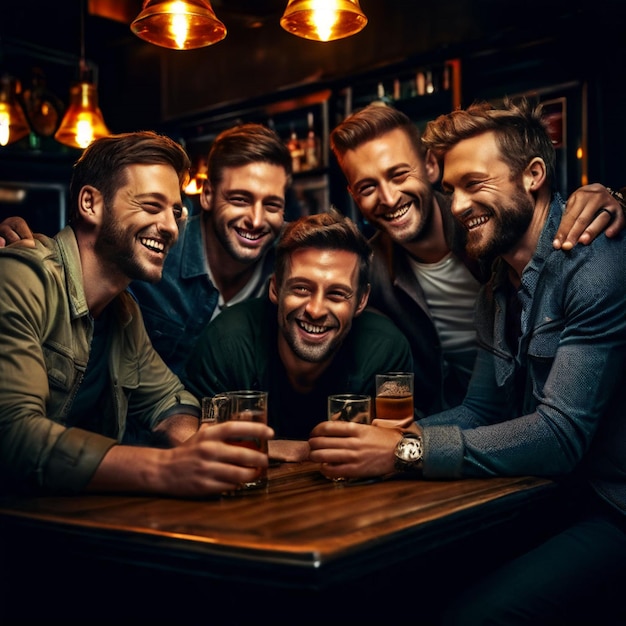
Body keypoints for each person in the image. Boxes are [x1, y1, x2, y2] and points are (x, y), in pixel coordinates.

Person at [310, 98, 626, 624]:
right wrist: (384, 440)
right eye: (451, 189)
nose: (457, 207)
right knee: (395, 585)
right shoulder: (497, 284)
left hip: (611, 506)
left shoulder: (595, 265)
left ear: (533, 176)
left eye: (474, 185)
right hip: (547, 494)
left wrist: (404, 451)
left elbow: (560, 436)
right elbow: (481, 409)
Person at [0, 131, 274, 497]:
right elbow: (13, 434)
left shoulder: (124, 313)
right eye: (150, 206)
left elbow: (171, 402)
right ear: (90, 204)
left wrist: (204, 448)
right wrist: (167, 469)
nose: (171, 227)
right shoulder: (21, 278)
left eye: (176, 212)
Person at [329, 102, 626, 414]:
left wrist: (619, 197)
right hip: (459, 435)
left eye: (399, 174)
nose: (388, 198)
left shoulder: (495, 230)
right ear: (353, 196)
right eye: (367, 187)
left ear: (430, 165)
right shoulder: (367, 276)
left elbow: (537, 210)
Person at [0, 122, 292, 377]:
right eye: (240, 199)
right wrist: (31, 251)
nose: (255, 220)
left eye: (272, 205)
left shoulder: (293, 261)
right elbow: (89, 251)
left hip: (222, 427)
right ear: (208, 196)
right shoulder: (156, 249)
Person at [183, 208, 413, 461]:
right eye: (301, 288)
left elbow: (395, 446)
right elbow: (203, 449)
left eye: (337, 294)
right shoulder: (226, 343)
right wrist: (301, 451)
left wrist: (271, 448)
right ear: (275, 288)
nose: (315, 310)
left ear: (361, 301)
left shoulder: (386, 350)